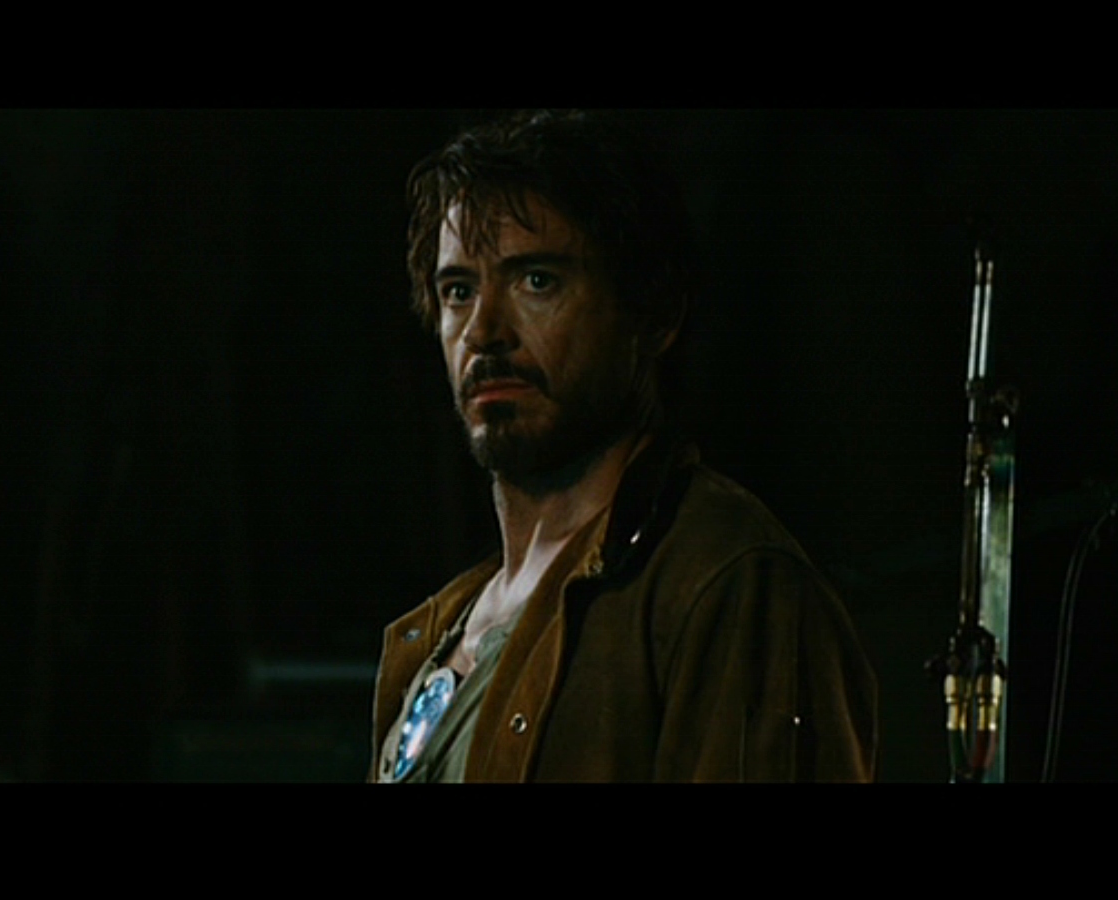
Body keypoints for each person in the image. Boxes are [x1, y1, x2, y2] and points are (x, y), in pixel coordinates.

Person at [369, 111, 877, 782]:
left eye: (536, 280)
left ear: (652, 314)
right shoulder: (443, 630)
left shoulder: (725, 584)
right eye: (458, 291)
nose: (484, 331)